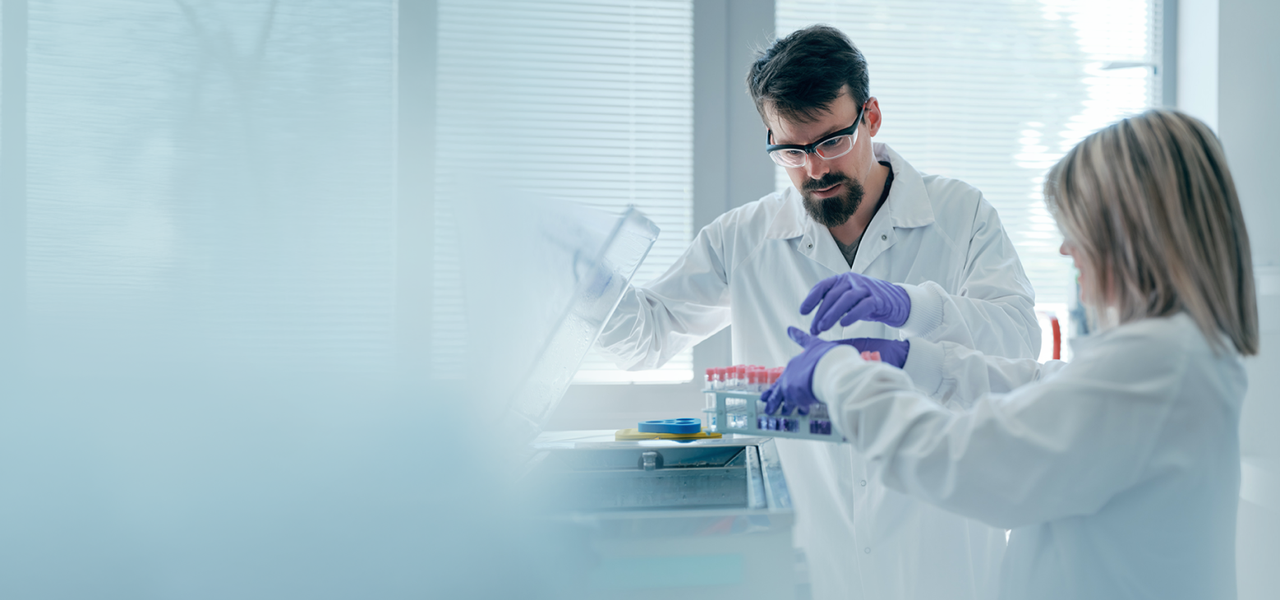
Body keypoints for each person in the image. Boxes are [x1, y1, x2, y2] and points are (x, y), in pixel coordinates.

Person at [597, 25, 1039, 600]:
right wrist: (590, 284)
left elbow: (1019, 341)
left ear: (870, 117)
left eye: (831, 142)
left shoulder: (960, 214)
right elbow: (646, 339)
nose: (814, 170)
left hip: (943, 560)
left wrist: (917, 306)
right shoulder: (743, 237)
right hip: (810, 564)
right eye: (791, 151)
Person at [766, 109, 1257, 599]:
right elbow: (1052, 389)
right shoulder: (1178, 354)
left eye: (1080, 228)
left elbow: (965, 462)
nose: (1066, 250)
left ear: (1135, 234)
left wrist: (839, 375)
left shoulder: (1156, 366)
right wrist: (914, 361)